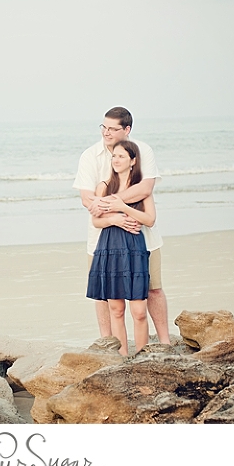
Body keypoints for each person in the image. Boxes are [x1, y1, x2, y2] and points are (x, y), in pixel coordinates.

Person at [73, 106, 171, 344]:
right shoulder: (89, 156)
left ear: (127, 129)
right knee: (105, 295)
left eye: (113, 129)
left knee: (153, 288)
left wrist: (110, 203)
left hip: (143, 236)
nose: (106, 133)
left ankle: (165, 341)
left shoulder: (141, 151)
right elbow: (87, 199)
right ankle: (109, 344)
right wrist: (111, 212)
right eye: (103, 127)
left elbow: (144, 188)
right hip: (102, 238)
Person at [86, 140, 155, 356]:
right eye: (114, 156)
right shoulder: (104, 187)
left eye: (121, 156)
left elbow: (150, 219)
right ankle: (123, 357)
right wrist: (116, 220)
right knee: (116, 309)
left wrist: (123, 207)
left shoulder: (140, 188)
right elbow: (96, 221)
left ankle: (142, 357)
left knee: (139, 311)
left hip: (134, 247)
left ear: (133, 161)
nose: (116, 160)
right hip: (110, 247)